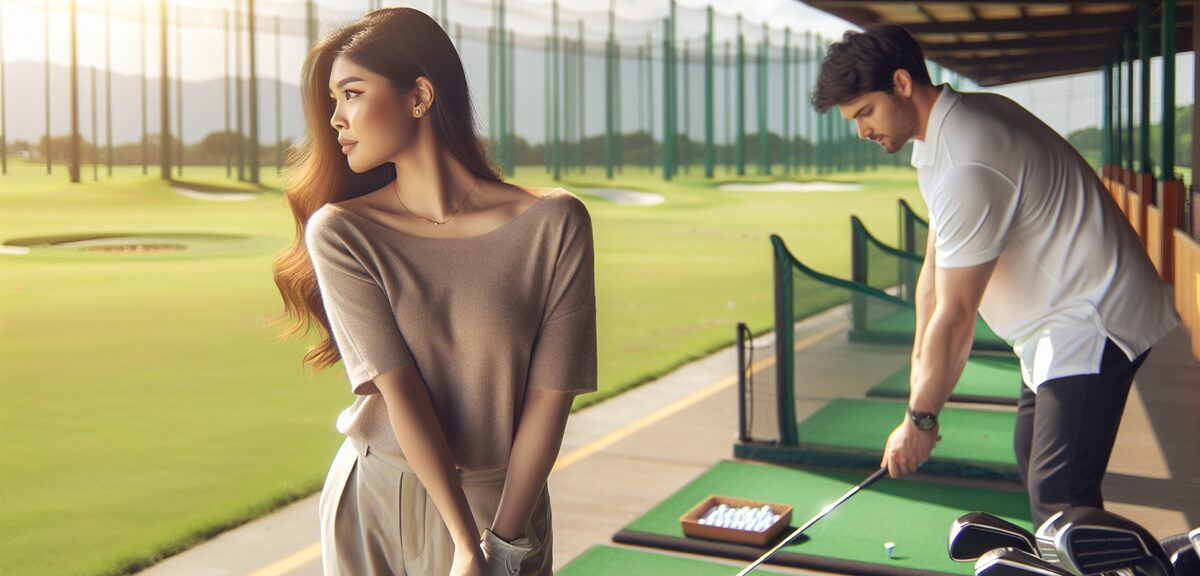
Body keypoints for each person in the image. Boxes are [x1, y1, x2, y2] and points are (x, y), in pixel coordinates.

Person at [271, 8, 597, 575]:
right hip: (383, 493)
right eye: (332, 100)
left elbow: (553, 393)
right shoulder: (341, 231)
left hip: (510, 501)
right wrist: (467, 545)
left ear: (419, 95)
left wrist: (507, 541)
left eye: (351, 93)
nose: (334, 120)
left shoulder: (556, 222)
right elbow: (402, 393)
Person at [811, 24, 1178, 527]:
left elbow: (958, 316)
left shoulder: (968, 157)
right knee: (1033, 463)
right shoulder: (942, 141)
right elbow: (931, 286)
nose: (861, 131)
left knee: (1061, 503)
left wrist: (921, 419)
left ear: (901, 83)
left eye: (865, 113)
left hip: (1092, 319)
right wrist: (916, 403)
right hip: (1052, 327)